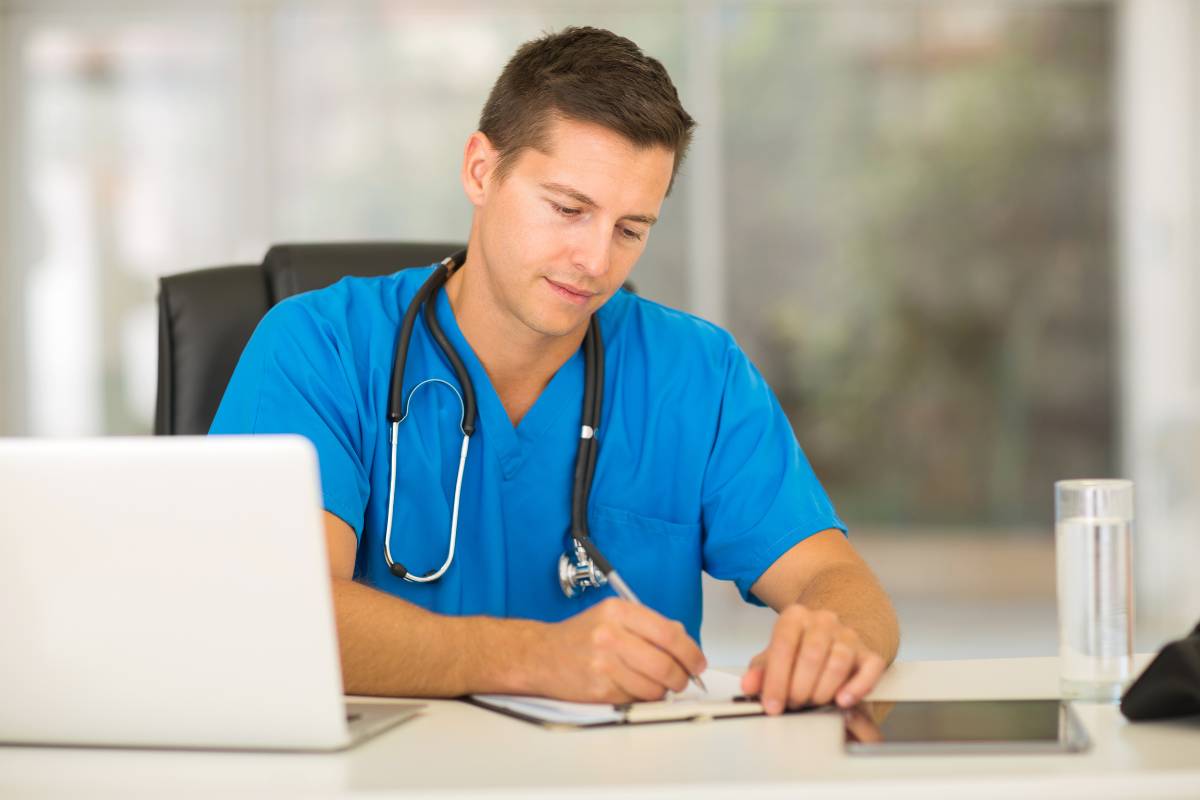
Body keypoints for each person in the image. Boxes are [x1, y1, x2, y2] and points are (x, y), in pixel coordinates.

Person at [210, 26, 899, 714]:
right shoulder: (316, 348)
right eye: (569, 209)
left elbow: (834, 577)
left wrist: (833, 637)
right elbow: (275, 614)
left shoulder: (699, 375)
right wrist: (533, 657)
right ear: (482, 170)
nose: (596, 261)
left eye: (631, 229)